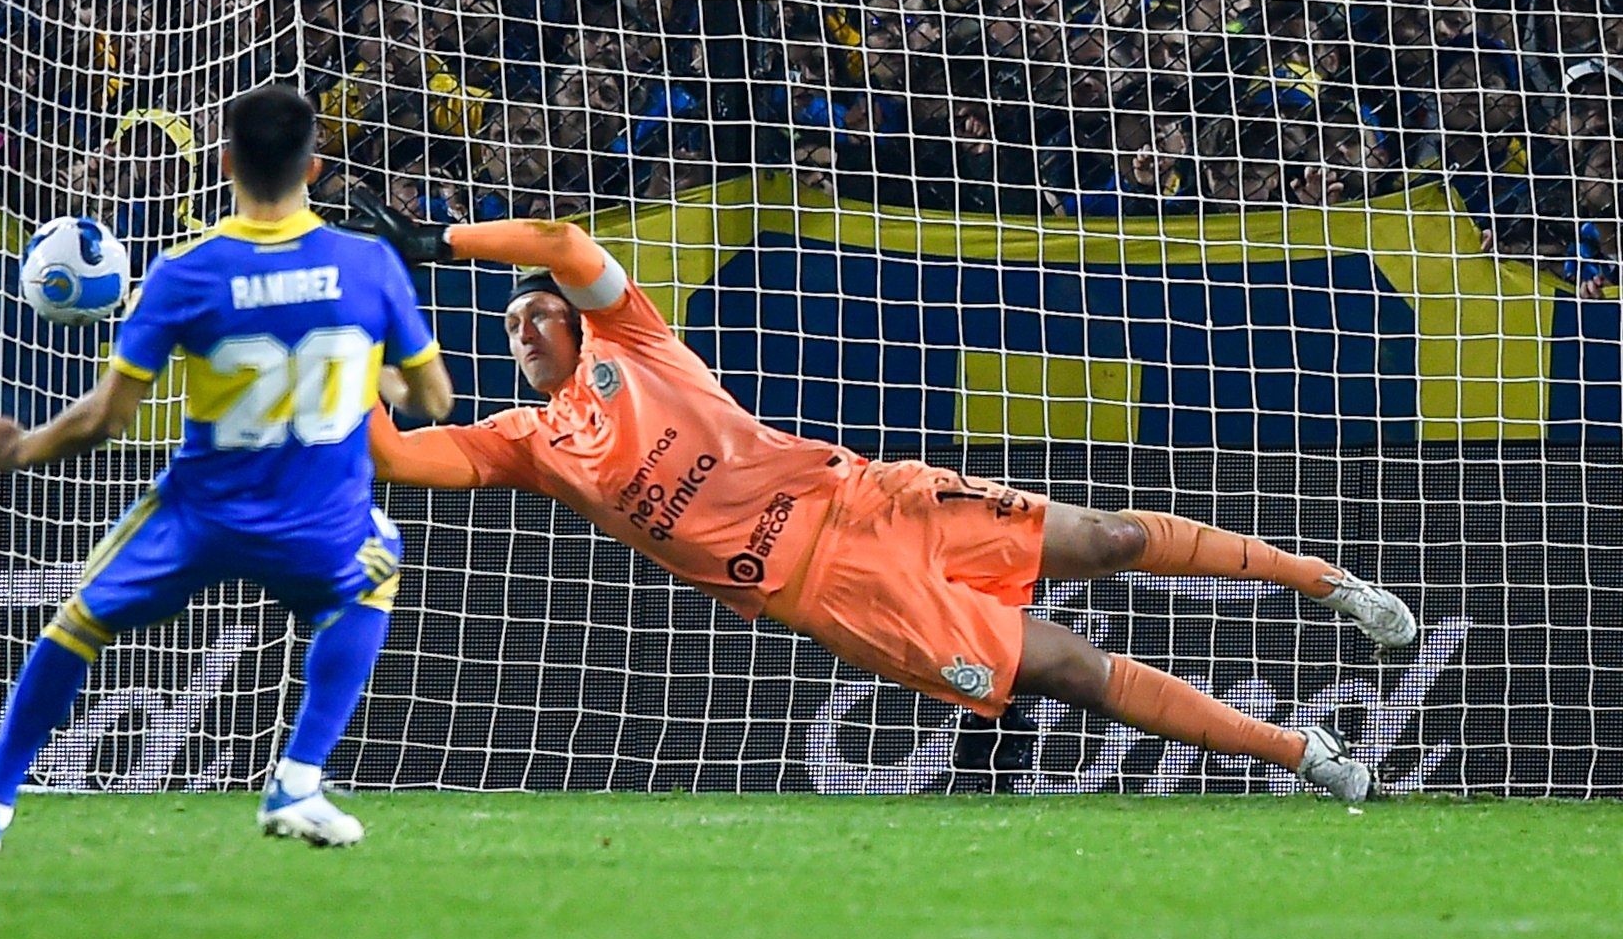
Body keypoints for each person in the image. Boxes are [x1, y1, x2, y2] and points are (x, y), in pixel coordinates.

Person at [347, 198, 1420, 803]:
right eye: (508, 331)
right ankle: (1304, 757)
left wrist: (439, 245)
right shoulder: (524, 444)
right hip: (840, 593)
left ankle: (1330, 585)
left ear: (579, 327)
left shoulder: (637, 342)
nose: (525, 331)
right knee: (1067, 671)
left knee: (1111, 535)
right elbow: (395, 456)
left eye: (537, 317)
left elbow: (567, 247)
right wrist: (341, 347)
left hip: (874, 499)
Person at [0, 86, 454, 853]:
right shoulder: (369, 265)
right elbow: (431, 398)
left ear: (226, 161)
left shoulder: (184, 271)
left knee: (80, 622)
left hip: (201, 514)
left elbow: (107, 419)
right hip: (319, 520)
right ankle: (299, 782)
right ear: (314, 166)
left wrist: (21, 448)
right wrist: (366, 360)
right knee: (379, 567)